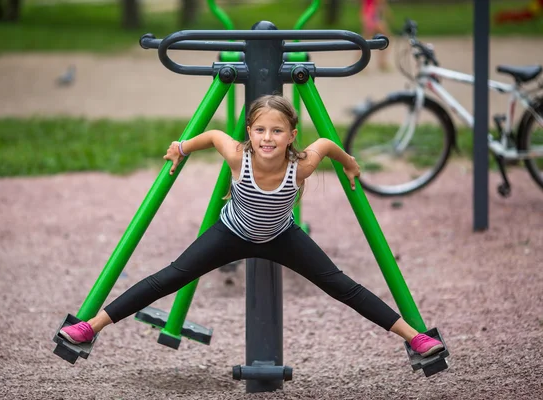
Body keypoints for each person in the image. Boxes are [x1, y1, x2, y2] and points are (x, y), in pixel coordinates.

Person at [59, 94, 444, 359]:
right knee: (170, 277)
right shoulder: (238, 154)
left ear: (292, 137)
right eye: (260, 130)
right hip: (231, 233)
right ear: (250, 132)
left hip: (282, 236)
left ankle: (415, 337)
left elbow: (325, 143)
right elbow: (212, 136)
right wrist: (182, 146)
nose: (267, 138)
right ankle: (92, 327)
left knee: (342, 285)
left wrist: (349, 162)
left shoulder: (301, 164)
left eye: (277, 131)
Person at [361, 0, 393, 72]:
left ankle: (381, 63)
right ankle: (382, 63)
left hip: (370, 15)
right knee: (385, 39)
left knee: (363, 41)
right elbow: (380, 3)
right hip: (372, 16)